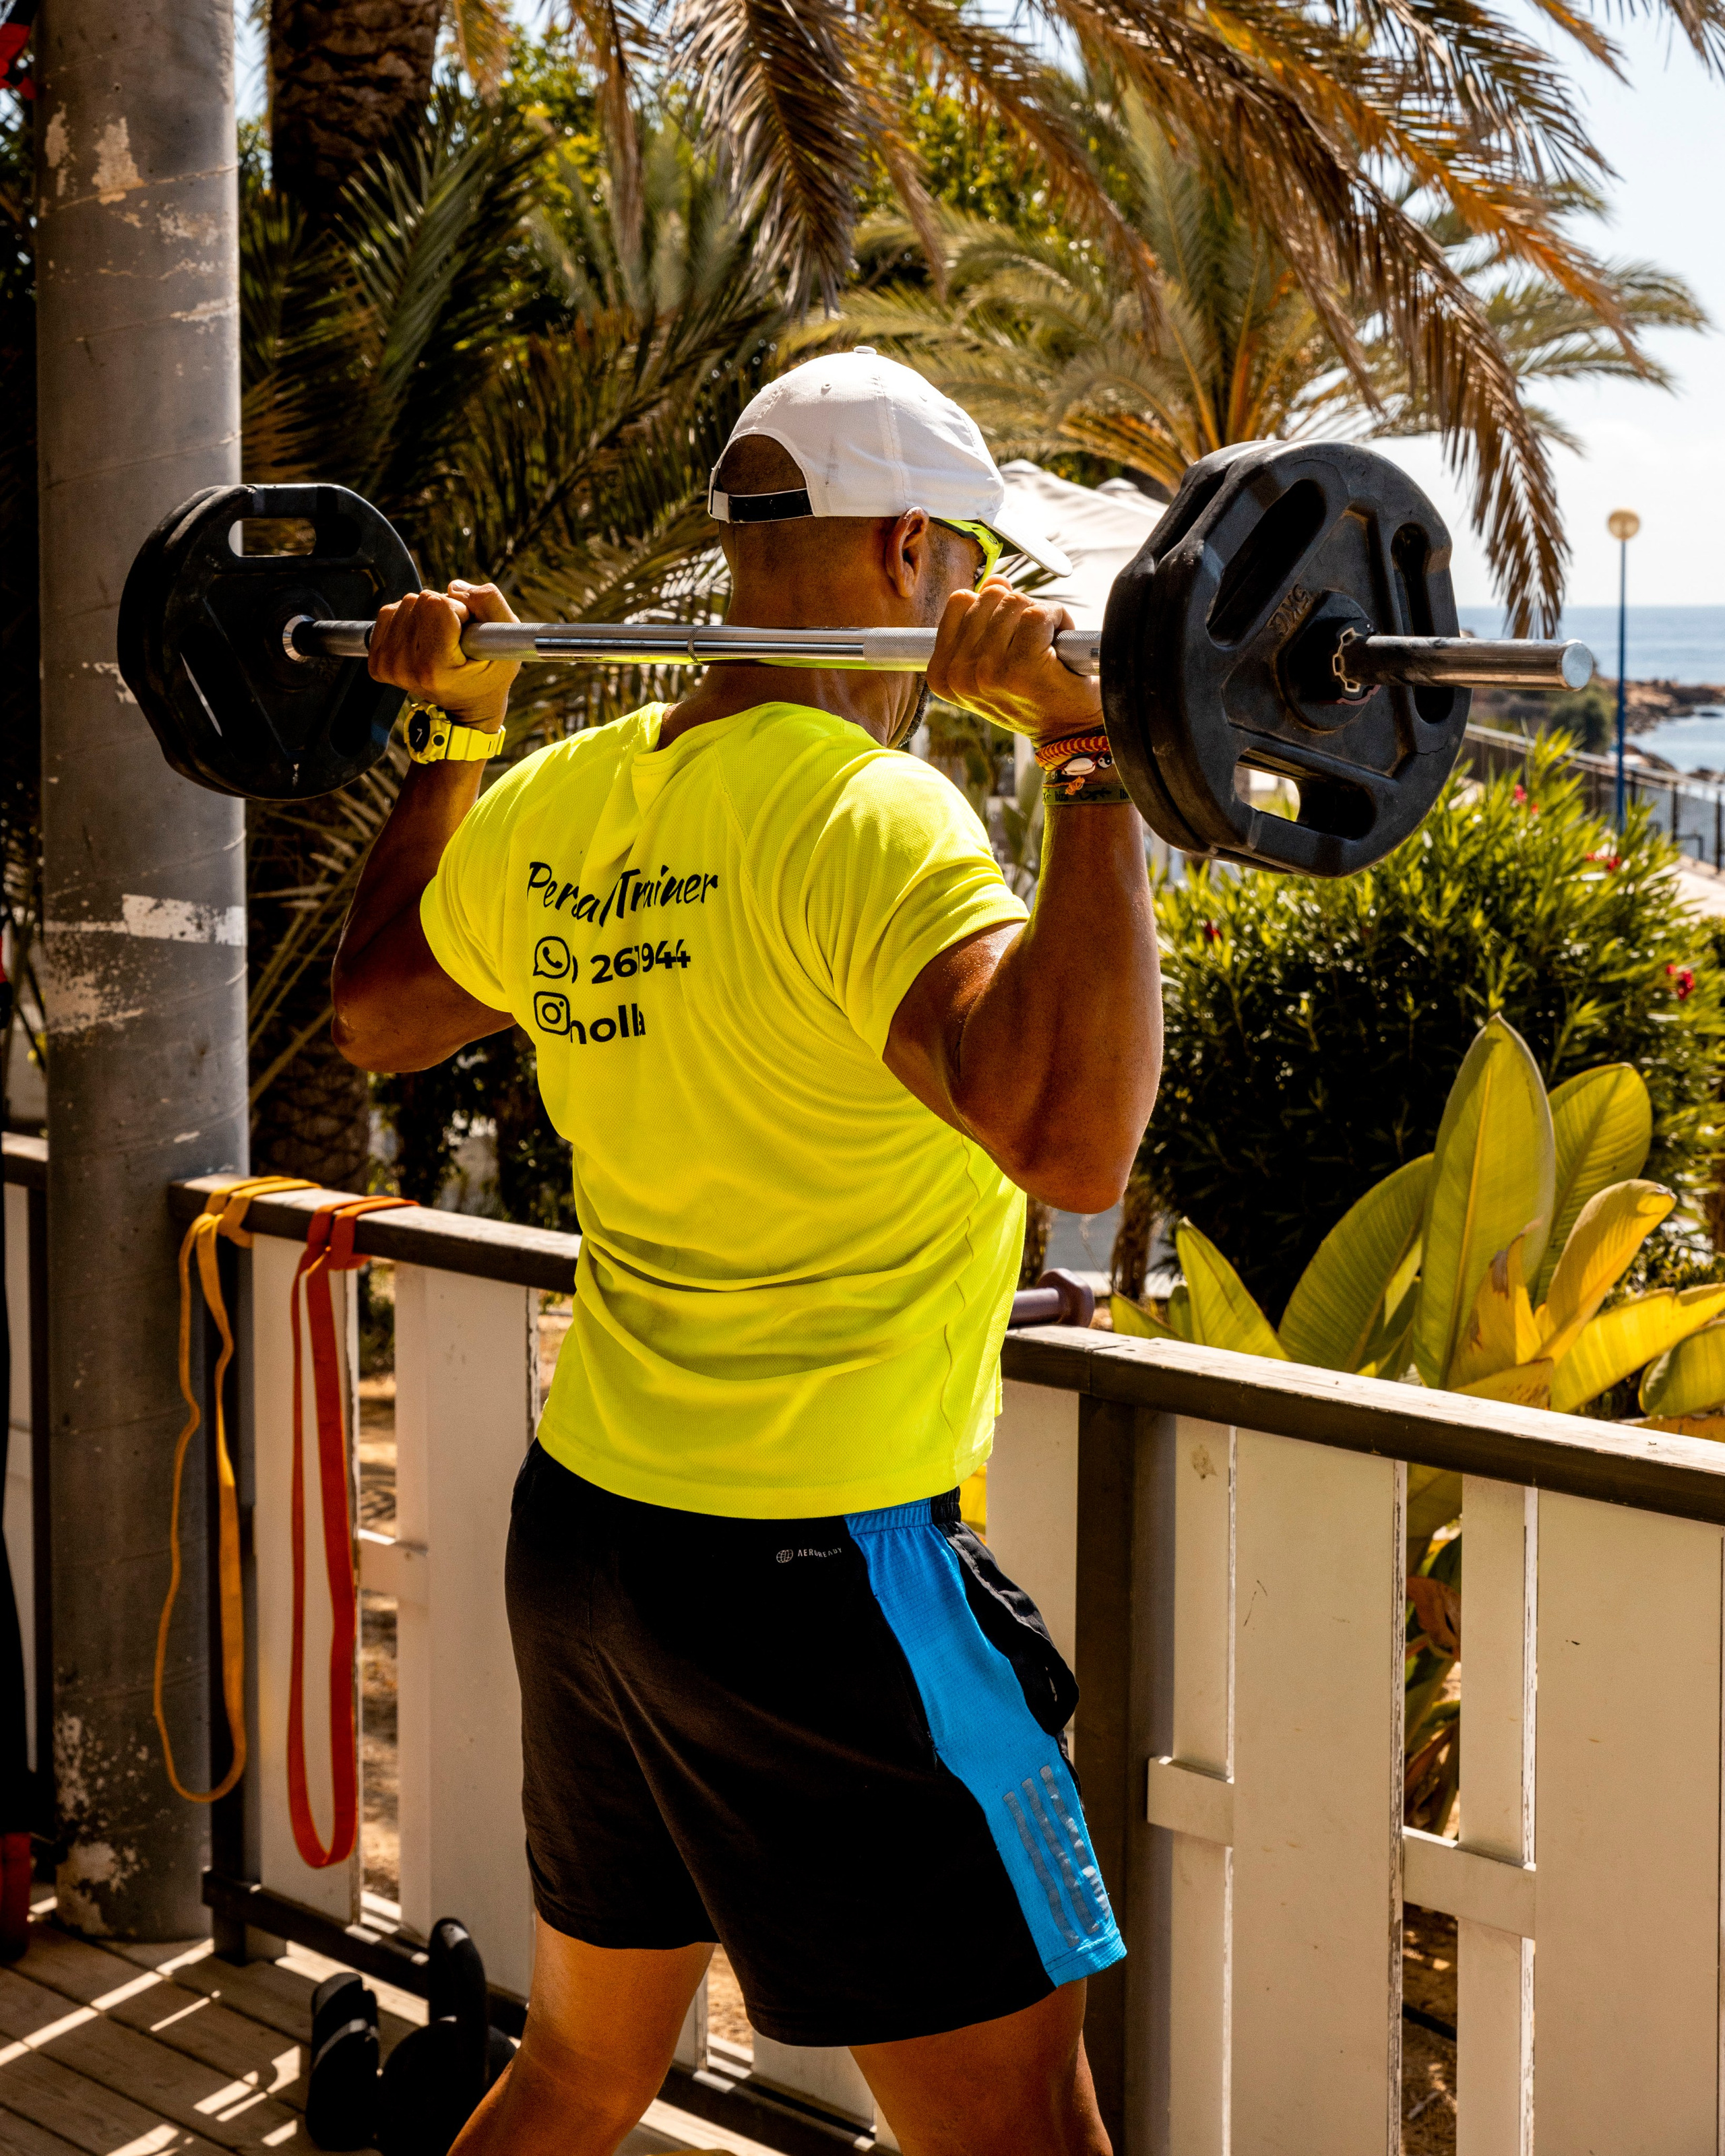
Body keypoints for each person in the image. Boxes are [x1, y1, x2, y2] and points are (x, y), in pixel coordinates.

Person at [333, 350, 1162, 2156]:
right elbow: (1073, 1137)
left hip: (604, 1543)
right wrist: (1091, 755)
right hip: (832, 1589)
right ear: (911, 561)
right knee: (1019, 2131)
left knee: (577, 2073)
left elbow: (382, 1009)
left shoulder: (563, 797)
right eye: (974, 571)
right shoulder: (871, 820)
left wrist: (453, 734)